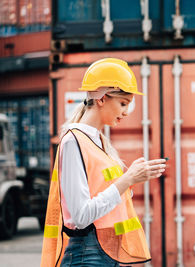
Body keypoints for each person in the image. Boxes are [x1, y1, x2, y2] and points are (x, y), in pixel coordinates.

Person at [40, 58, 166, 267]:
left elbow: (104, 197)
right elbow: (81, 217)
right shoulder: (74, 141)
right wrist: (128, 179)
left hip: (104, 253)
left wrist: (133, 179)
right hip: (87, 254)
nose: (126, 112)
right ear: (102, 99)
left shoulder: (97, 141)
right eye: (123, 103)